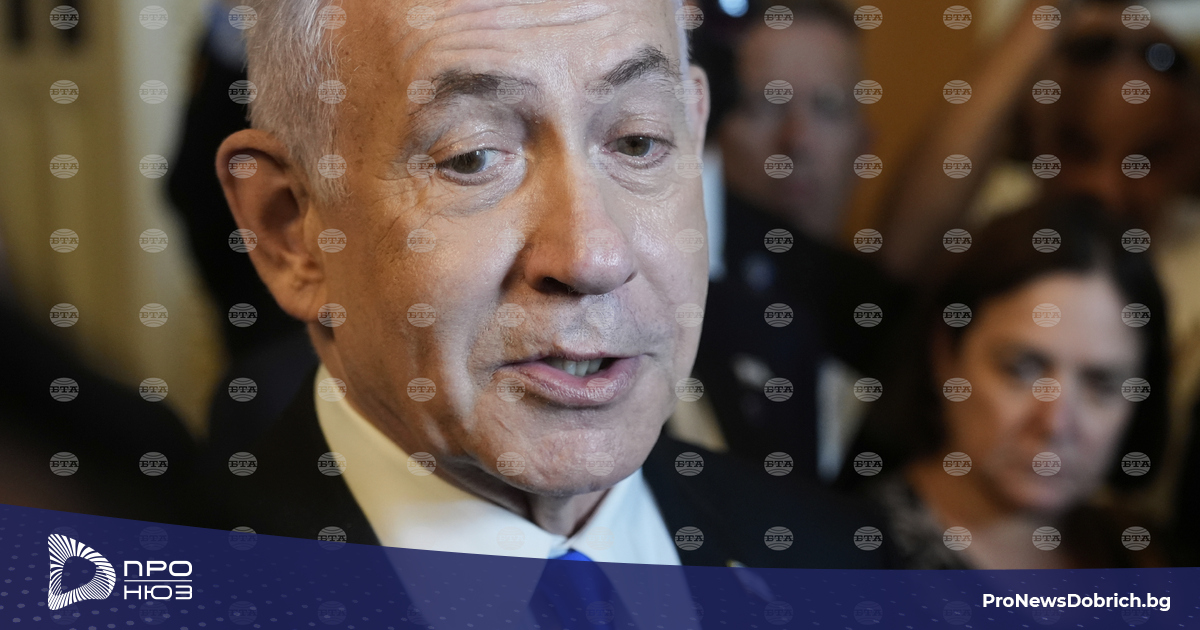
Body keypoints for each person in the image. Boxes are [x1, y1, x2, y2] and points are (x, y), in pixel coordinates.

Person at [202, 0, 881, 576]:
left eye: (638, 143)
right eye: (472, 157)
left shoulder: (836, 563)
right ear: (291, 232)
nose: (593, 258)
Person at [841, 198, 1170, 569]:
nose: (1055, 422)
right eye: (1021, 369)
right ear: (946, 354)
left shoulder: (1140, 559)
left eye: (1102, 385)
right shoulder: (845, 552)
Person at [689, 0, 902, 480]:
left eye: (828, 107)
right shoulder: (669, 300)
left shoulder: (883, 316)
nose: (797, 140)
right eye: (765, 104)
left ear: (865, 143)